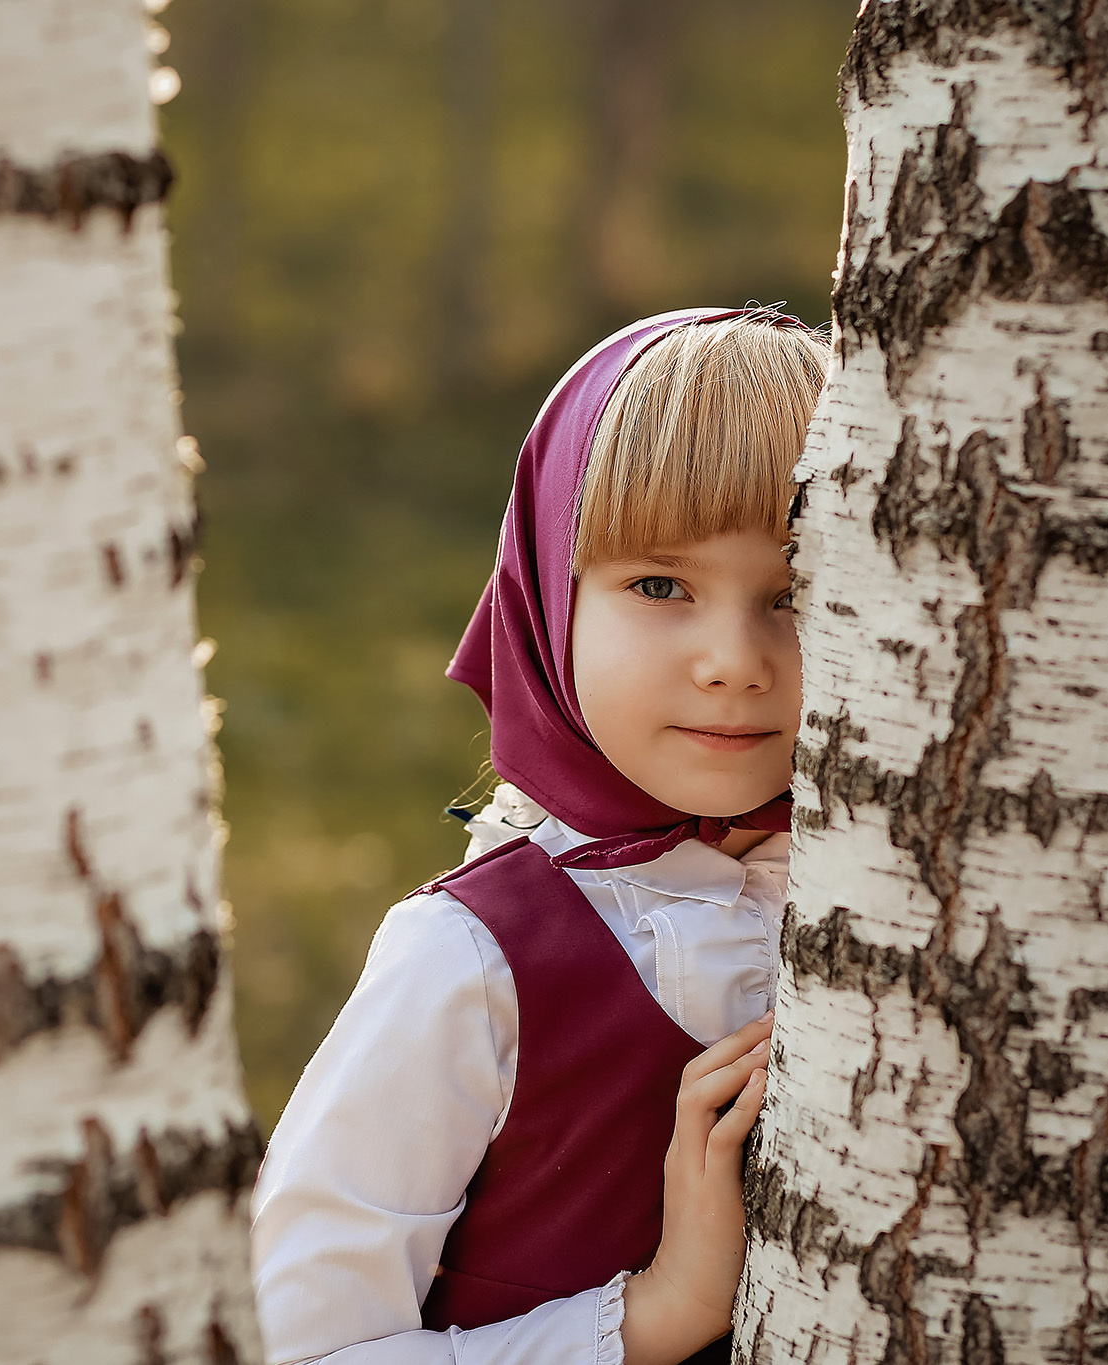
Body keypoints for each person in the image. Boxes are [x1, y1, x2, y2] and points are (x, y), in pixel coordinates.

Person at [251, 306, 831, 1365]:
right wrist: (653, 1315)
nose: (732, 660)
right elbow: (301, 1350)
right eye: (659, 585)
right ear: (542, 598)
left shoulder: (901, 896)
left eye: (794, 593)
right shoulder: (471, 961)